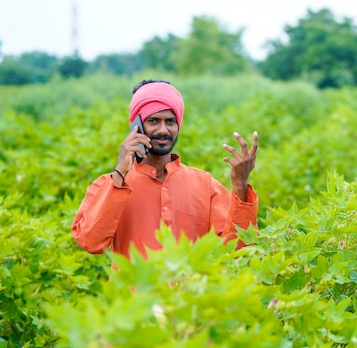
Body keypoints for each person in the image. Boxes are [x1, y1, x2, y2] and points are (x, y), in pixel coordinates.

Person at [72, 79, 259, 258]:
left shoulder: (204, 184)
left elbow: (236, 253)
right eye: (153, 121)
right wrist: (120, 172)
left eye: (170, 121)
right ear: (136, 126)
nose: (163, 130)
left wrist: (240, 185)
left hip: (190, 291)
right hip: (132, 292)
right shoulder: (110, 185)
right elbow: (91, 242)